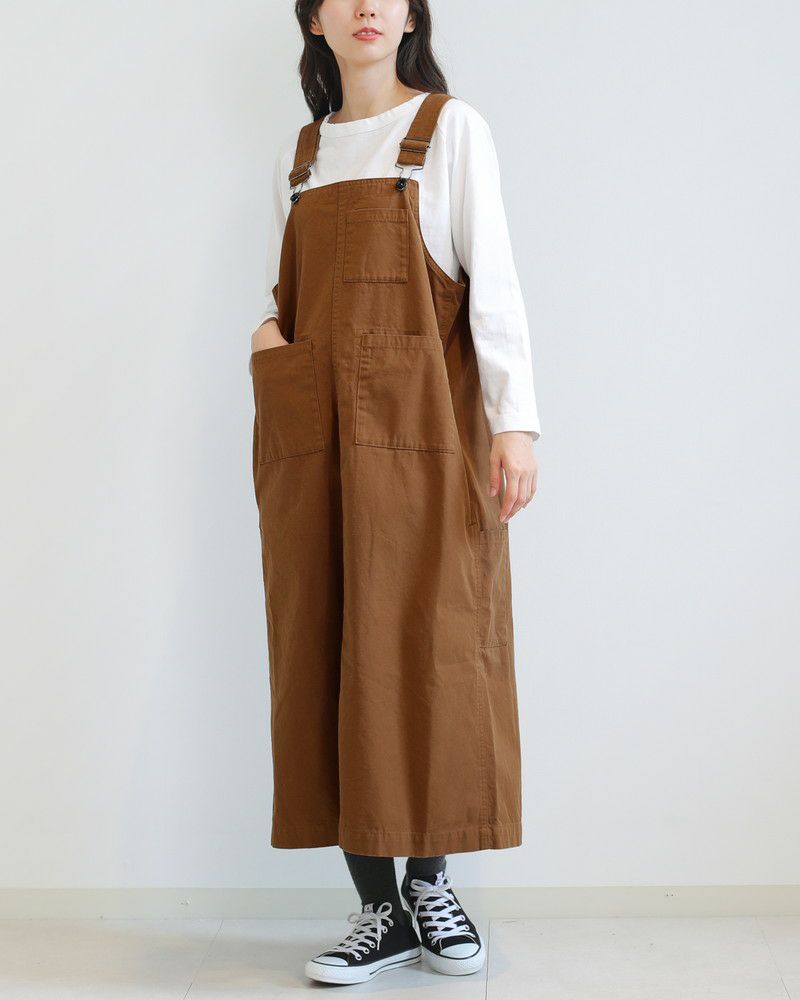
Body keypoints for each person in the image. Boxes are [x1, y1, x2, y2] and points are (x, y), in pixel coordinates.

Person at [249, 0, 541, 985]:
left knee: (430, 652)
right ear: (314, 22)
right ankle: (379, 910)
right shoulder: (301, 155)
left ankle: (431, 886)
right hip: (313, 447)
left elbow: (493, 282)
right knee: (326, 651)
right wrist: (265, 340)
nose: (367, 5)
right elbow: (284, 295)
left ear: (411, 16)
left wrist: (514, 421)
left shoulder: (450, 130)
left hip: (427, 440)